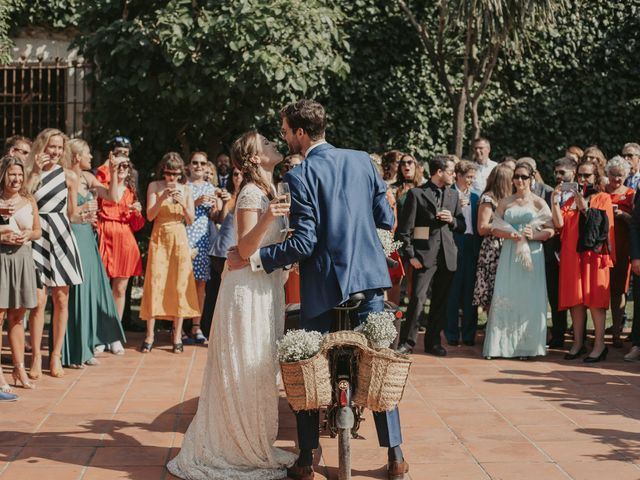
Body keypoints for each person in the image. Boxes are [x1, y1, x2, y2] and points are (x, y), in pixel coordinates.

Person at [227, 100, 408, 480]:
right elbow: (386, 219)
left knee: (303, 360)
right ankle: (395, 456)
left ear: (301, 133)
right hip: (370, 281)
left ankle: (307, 458)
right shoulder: (362, 160)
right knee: (379, 361)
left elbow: (306, 242)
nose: (284, 136)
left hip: (324, 286)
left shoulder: (302, 174)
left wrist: (258, 259)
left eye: (286, 130)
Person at [167, 131, 295, 479]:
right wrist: (270, 217)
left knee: (259, 368)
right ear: (254, 158)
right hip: (246, 293)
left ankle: (254, 440)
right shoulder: (253, 193)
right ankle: (236, 447)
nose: (273, 145)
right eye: (267, 143)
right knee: (244, 366)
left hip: (266, 287)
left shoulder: (272, 189)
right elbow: (245, 246)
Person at [26, 128, 84, 379]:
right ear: (42, 146)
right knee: (38, 301)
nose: (56, 151)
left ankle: (56, 355)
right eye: (52, 146)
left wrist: (86, 215)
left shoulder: (69, 176)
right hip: (38, 237)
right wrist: (36, 173)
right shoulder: (30, 173)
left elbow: (72, 214)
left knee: (61, 299)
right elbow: (24, 199)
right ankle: (36, 357)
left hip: (61, 237)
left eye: (60, 148)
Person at [62, 139, 125, 367]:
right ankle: (73, 351)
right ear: (77, 157)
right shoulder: (67, 176)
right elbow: (69, 214)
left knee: (89, 290)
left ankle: (87, 348)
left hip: (88, 236)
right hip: (74, 235)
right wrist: (85, 208)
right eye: (88, 153)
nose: (91, 158)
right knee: (76, 291)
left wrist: (114, 171)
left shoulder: (88, 178)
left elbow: (113, 197)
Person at [483, 161, 554, 359]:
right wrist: (509, 235)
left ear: (531, 179)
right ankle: (499, 347)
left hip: (533, 254)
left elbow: (551, 230)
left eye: (524, 177)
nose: (519, 180)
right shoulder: (506, 202)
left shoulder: (539, 202)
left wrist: (535, 235)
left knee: (529, 298)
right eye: (516, 176)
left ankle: (527, 347)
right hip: (510, 253)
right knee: (507, 295)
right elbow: (494, 227)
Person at [396, 155, 465, 356]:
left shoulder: (453, 196)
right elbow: (404, 230)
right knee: (417, 300)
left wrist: (452, 220)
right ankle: (407, 343)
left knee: (440, 303)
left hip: (447, 256)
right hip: (423, 257)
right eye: (451, 171)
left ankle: (433, 343)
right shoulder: (417, 194)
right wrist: (411, 256)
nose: (454, 175)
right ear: (439, 172)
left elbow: (462, 226)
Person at [552, 159, 614, 362]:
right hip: (572, 256)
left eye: (587, 175)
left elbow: (603, 227)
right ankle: (578, 343)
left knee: (595, 301)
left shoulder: (603, 197)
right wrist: (554, 202)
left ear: (596, 177)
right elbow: (559, 225)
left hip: (594, 256)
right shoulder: (570, 199)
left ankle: (599, 345)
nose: (583, 179)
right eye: (580, 175)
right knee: (576, 301)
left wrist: (585, 208)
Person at [139, 152, 199, 353]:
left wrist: (182, 201)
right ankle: (149, 335)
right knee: (156, 282)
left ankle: (177, 335)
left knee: (179, 284)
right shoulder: (154, 186)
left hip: (179, 237)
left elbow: (190, 219)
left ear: (181, 173)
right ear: (162, 172)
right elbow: (149, 216)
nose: (171, 178)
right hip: (160, 236)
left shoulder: (186, 189)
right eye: (168, 173)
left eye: (175, 174)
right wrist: (162, 198)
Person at [0, 155, 41, 392]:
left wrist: (28, 235)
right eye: (11, 174)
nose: (16, 179)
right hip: (1, 258)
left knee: (18, 317)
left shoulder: (28, 199)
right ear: (3, 175)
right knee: (0, 316)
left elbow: (37, 231)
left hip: (23, 258)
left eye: (19, 174)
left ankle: (19, 368)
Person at [96, 149, 144, 335]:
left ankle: (114, 333)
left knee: (121, 288)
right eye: (119, 165)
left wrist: (137, 213)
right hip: (105, 236)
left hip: (124, 240)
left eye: (126, 165)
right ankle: (100, 331)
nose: (123, 168)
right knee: (102, 286)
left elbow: (137, 226)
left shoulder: (131, 192)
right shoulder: (102, 187)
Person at [200, 167, 242, 339]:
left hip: (239, 249)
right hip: (222, 249)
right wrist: (226, 202)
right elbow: (223, 219)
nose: (237, 177)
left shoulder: (252, 192)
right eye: (235, 174)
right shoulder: (228, 195)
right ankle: (209, 330)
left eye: (240, 174)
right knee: (215, 293)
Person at [184, 151, 221, 343]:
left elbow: (215, 217)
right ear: (189, 166)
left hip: (203, 239)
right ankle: (179, 325)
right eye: (195, 163)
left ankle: (196, 327)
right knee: (182, 283)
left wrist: (215, 208)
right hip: (185, 236)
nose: (199, 166)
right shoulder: (184, 187)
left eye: (202, 163)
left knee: (201, 283)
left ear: (207, 167)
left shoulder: (211, 188)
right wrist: (196, 202)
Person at [445, 160, 480, 346]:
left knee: (470, 292)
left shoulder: (476, 197)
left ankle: (468, 335)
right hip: (453, 243)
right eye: (468, 177)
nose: (470, 181)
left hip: (471, 244)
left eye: (473, 177)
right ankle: (451, 334)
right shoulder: (448, 194)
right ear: (458, 176)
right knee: (453, 291)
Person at [472, 165, 514, 315]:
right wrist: (505, 226)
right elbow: (482, 227)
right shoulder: (488, 198)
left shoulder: (511, 199)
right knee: (493, 290)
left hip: (508, 246)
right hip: (493, 249)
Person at [546, 157, 576, 348]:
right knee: (554, 293)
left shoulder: (581, 194)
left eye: (562, 172)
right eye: (556, 172)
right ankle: (558, 335)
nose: (558, 176)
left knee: (574, 294)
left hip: (573, 250)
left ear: (573, 172)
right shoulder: (551, 193)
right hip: (553, 248)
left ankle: (577, 335)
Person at [604, 156, 634, 348]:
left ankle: (616, 332)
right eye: (613, 175)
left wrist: (622, 215)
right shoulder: (601, 191)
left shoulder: (631, 194)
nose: (616, 180)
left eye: (620, 175)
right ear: (607, 174)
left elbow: (636, 221)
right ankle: (599, 333)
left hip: (622, 249)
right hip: (602, 249)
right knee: (597, 291)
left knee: (618, 291)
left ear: (627, 174)